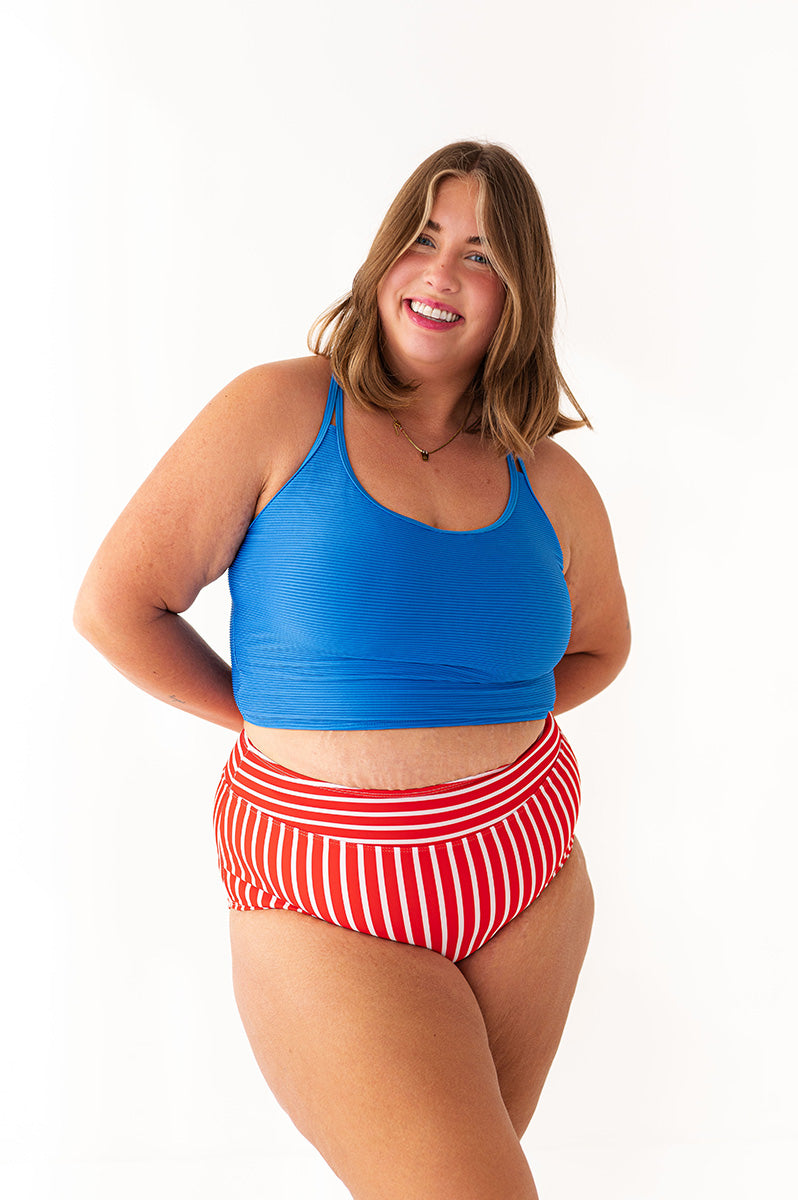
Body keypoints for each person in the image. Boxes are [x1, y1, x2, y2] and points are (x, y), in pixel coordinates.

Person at [74, 141, 630, 1200]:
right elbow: (117, 605)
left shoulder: (552, 480)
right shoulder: (281, 410)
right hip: (326, 883)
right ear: (384, 260)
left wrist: (480, 720)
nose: (441, 271)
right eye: (422, 238)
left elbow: (603, 646)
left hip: (525, 878)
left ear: (519, 294)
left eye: (481, 253)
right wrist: (276, 718)